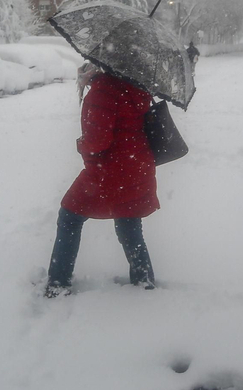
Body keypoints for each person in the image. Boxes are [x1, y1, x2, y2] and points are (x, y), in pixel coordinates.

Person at [44, 63, 158, 296]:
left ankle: (58, 284)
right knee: (129, 222)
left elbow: (97, 141)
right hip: (137, 167)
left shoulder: (102, 91)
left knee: (69, 217)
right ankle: (144, 281)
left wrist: (81, 144)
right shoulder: (133, 84)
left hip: (109, 171)